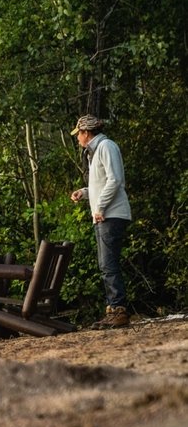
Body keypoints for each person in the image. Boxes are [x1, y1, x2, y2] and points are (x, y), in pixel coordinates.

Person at [69, 115, 132, 329]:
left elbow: (116, 180)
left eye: (78, 134)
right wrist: (85, 193)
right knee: (105, 264)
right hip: (104, 214)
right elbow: (102, 184)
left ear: (86, 133)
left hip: (111, 214)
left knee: (108, 264)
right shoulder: (95, 152)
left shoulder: (106, 146)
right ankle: (113, 310)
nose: (77, 138)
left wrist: (100, 207)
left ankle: (119, 310)